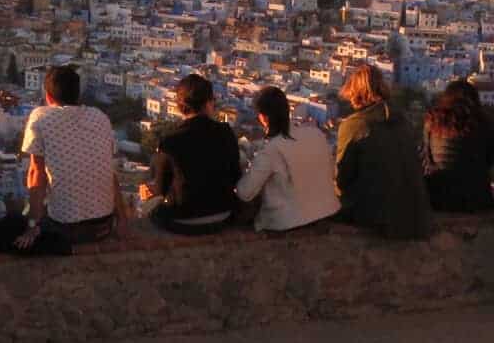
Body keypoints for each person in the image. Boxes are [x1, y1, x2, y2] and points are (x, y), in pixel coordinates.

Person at [17, 65, 123, 250]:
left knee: (13, 221)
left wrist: (32, 226)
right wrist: (123, 219)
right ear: (78, 92)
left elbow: (36, 175)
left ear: (48, 96)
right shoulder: (100, 118)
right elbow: (109, 170)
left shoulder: (40, 117)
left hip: (65, 229)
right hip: (104, 227)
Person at [335, 64, 431, 239]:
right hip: (415, 213)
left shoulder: (354, 125)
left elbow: (343, 180)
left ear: (355, 93)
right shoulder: (403, 120)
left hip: (378, 215)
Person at [139, 74, 241, 235]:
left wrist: (149, 195)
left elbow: (160, 192)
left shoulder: (170, 141)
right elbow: (236, 177)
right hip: (224, 215)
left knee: (150, 210)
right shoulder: (226, 132)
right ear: (208, 103)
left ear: (180, 106)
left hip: (184, 220)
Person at [236, 86, 340, 231]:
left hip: (285, 222)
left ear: (263, 117)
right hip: (326, 213)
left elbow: (244, 192)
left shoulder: (271, 150)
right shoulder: (316, 134)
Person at [422, 79, 494, 212]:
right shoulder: (483, 122)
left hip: (439, 196)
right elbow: (489, 160)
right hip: (477, 197)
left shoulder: (433, 121)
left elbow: (427, 158)